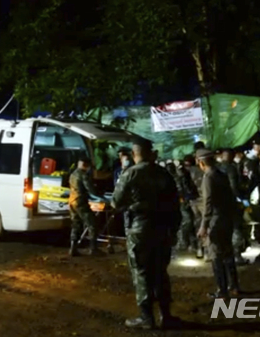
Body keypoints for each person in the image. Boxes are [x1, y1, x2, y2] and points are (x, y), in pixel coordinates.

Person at [112, 139, 181, 330]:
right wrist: (174, 230)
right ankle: (166, 315)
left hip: (139, 229)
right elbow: (175, 205)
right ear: (151, 153)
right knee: (160, 272)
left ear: (134, 154)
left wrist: (131, 204)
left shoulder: (131, 173)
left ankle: (146, 317)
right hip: (162, 229)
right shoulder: (163, 174)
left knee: (142, 272)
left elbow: (116, 202)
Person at [196, 148, 240, 298]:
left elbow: (208, 202)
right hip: (226, 218)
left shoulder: (208, 177)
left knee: (216, 255)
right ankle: (234, 286)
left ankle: (222, 290)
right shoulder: (222, 174)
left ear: (201, 163)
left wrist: (204, 225)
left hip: (216, 219)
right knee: (228, 253)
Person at [68, 156, 103, 257]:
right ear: (85, 165)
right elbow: (90, 189)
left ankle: (73, 248)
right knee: (92, 224)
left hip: (72, 201)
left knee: (76, 224)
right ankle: (93, 249)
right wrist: (99, 194)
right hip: (80, 202)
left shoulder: (73, 174)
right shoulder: (83, 175)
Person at [189, 141, 207, 259]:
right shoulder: (206, 167)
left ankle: (200, 249)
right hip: (203, 200)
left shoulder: (192, 169)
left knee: (198, 224)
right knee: (205, 225)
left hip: (196, 200)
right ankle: (204, 250)